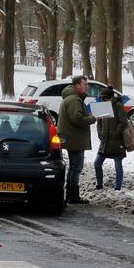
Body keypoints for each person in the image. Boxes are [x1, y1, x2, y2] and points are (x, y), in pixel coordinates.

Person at [57, 75, 97, 204]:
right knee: (76, 167)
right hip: (75, 139)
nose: (87, 87)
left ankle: (70, 194)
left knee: (74, 167)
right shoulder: (74, 100)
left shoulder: (72, 98)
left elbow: (76, 117)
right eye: (85, 84)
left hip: (72, 138)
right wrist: (92, 118)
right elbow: (77, 119)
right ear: (77, 85)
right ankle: (73, 195)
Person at [94, 86, 128, 191]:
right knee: (97, 163)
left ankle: (118, 188)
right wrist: (100, 134)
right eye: (103, 99)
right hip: (105, 142)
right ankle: (99, 184)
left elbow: (123, 122)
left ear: (112, 97)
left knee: (118, 166)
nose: (105, 100)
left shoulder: (118, 106)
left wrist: (116, 133)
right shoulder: (103, 106)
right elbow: (99, 123)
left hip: (116, 142)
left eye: (106, 98)